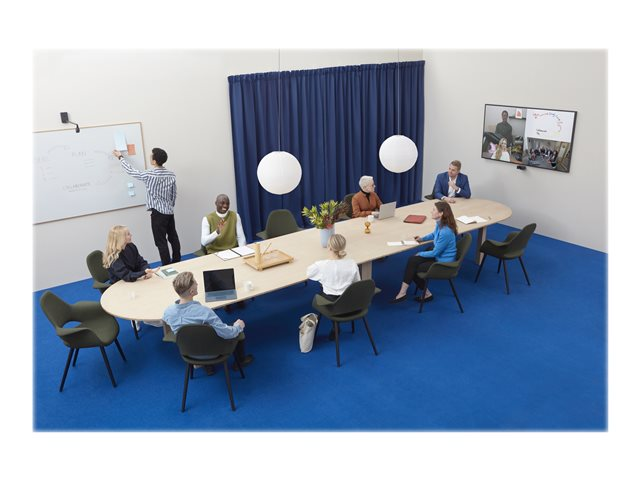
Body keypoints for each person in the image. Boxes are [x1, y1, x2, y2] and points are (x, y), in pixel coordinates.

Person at [163, 271, 253, 374]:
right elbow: (227, 334)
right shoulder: (204, 312)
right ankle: (240, 362)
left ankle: (207, 366)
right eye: (195, 283)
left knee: (200, 332)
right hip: (212, 351)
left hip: (188, 351)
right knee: (237, 331)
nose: (197, 284)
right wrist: (238, 327)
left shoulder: (168, 312)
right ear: (192, 291)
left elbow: (168, 323)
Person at [113, 148, 181, 266]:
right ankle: (177, 261)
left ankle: (167, 266)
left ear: (154, 161)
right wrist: (170, 207)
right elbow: (174, 194)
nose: (150, 157)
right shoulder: (171, 175)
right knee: (173, 237)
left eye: (151, 156)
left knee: (160, 241)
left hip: (158, 213)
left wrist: (120, 157)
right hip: (169, 212)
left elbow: (131, 171)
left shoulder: (149, 174)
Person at [390, 201, 458, 303]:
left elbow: (435, 253)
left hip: (443, 262)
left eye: (434, 210)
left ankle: (412, 293)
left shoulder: (446, 231)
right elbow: (434, 234)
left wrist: (420, 254)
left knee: (414, 268)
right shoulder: (440, 224)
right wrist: (422, 239)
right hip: (439, 255)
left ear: (441, 213)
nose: (431, 211)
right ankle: (405, 293)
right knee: (412, 260)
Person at [307, 234, 361, 339]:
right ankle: (336, 325)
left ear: (329, 247)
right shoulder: (352, 264)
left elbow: (309, 273)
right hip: (349, 303)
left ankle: (335, 325)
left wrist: (323, 279)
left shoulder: (321, 265)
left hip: (331, 304)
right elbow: (357, 283)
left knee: (321, 292)